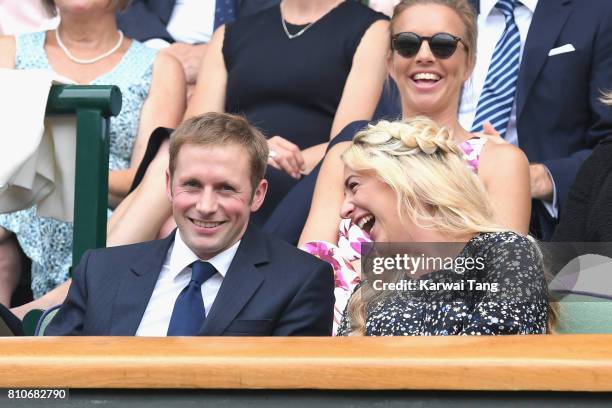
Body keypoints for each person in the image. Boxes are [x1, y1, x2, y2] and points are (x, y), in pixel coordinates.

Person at [45, 112, 335, 336]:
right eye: (192, 185)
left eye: (226, 188)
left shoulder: (300, 281)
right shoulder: (101, 271)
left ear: (257, 195)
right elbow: (52, 382)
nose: (206, 207)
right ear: (169, 185)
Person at [0, 0, 186, 306]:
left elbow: (145, 182)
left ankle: (48, 309)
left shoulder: (160, 66)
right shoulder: (8, 51)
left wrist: (59, 173)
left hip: (111, 215)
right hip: (18, 202)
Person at [336, 118, 548, 336]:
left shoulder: (507, 254)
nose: (344, 210)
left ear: (404, 177)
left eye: (354, 186)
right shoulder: (370, 289)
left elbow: (491, 359)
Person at [461, 0, 612, 239]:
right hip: (430, 199)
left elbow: (608, 144)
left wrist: (534, 177)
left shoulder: (599, 12)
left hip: (543, 226)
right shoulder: (436, 11)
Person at [117, 0, 280, 98]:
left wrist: (216, 55)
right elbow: (131, 8)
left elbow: (278, 22)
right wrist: (162, 53)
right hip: (159, 50)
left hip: (242, 63)